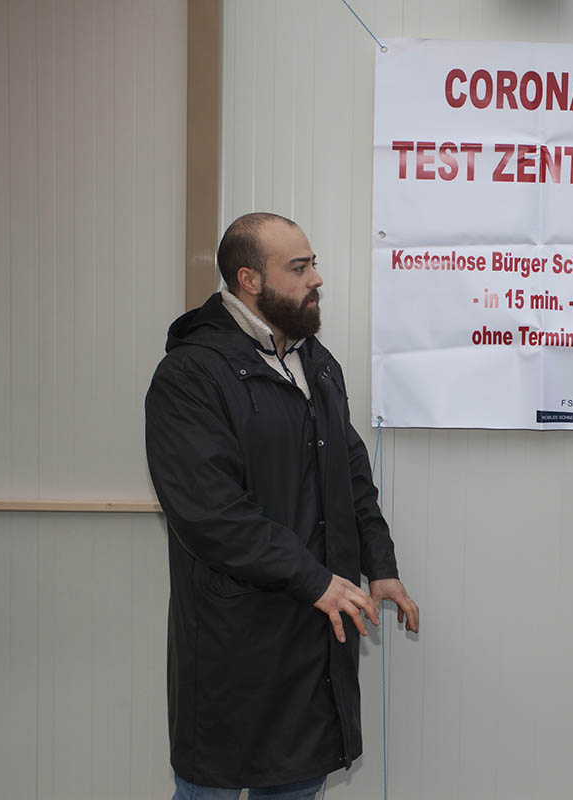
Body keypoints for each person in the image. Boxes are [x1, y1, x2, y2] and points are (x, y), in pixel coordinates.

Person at [146, 212, 419, 800]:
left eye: (313, 262)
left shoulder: (315, 364)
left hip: (315, 637)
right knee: (212, 788)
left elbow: (351, 477)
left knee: (299, 786)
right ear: (249, 279)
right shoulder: (191, 375)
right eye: (299, 268)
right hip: (234, 641)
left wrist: (382, 565)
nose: (316, 278)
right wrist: (314, 580)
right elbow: (210, 513)